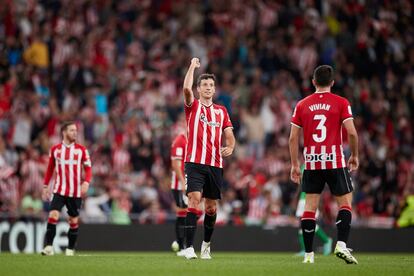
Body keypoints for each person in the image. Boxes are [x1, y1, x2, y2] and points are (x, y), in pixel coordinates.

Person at [289, 65, 359, 264]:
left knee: (310, 207)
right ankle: (341, 245)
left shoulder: (302, 104)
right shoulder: (341, 102)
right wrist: (354, 156)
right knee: (345, 203)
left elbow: (293, 138)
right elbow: (352, 133)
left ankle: (309, 255)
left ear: (313, 82)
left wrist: (295, 165)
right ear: (333, 82)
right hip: (335, 160)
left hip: (311, 163)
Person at [181, 58, 235, 259]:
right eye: (204, 84)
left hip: (215, 164)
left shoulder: (221, 111)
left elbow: (229, 134)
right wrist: (192, 67)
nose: (208, 88)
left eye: (211, 85)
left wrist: (230, 146)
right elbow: (186, 90)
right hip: (194, 162)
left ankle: (206, 245)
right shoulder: (192, 106)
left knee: (211, 207)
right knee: (194, 199)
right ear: (198, 88)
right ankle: (187, 247)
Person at [41, 121, 92, 256]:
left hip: (75, 192)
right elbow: (50, 168)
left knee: (73, 221)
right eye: (72, 130)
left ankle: (70, 249)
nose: (75, 133)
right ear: (64, 132)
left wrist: (86, 182)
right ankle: (48, 247)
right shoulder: (55, 149)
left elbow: (88, 169)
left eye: (76, 130)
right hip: (59, 190)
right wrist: (45, 186)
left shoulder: (82, 150)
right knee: (53, 215)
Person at [295, 164, 332, 256]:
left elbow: (320, 183)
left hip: (311, 198)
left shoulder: (316, 163)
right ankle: (304, 249)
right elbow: (301, 184)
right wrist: (296, 197)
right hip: (303, 198)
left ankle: (326, 240)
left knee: (309, 223)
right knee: (302, 224)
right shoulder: (303, 165)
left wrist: (320, 202)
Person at [170, 119, 188, 256]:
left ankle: (182, 243)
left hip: (191, 182)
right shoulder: (179, 141)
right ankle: (182, 246)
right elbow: (176, 164)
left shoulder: (193, 141)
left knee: (191, 213)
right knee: (182, 213)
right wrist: (182, 183)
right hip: (179, 184)